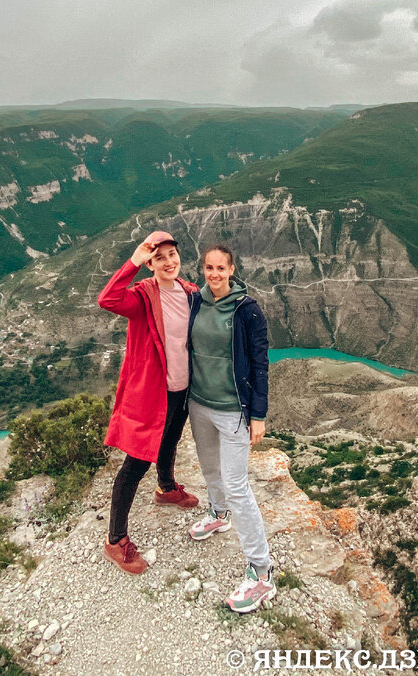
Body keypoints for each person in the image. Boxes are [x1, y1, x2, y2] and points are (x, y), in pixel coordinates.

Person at [97, 230, 199, 574]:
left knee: (171, 440)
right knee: (136, 463)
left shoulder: (189, 292)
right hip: (153, 393)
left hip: (183, 387)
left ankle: (166, 488)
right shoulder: (143, 296)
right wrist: (133, 262)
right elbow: (108, 299)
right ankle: (115, 540)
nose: (168, 262)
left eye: (172, 255)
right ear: (150, 264)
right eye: (159, 258)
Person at [186, 243, 275, 612]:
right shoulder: (196, 301)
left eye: (220, 268)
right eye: (209, 268)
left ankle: (262, 573)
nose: (214, 274)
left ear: (232, 269)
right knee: (210, 469)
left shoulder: (246, 310)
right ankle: (218, 515)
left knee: (238, 486)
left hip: (233, 411)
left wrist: (259, 414)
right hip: (199, 403)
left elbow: (260, 363)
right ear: (203, 269)